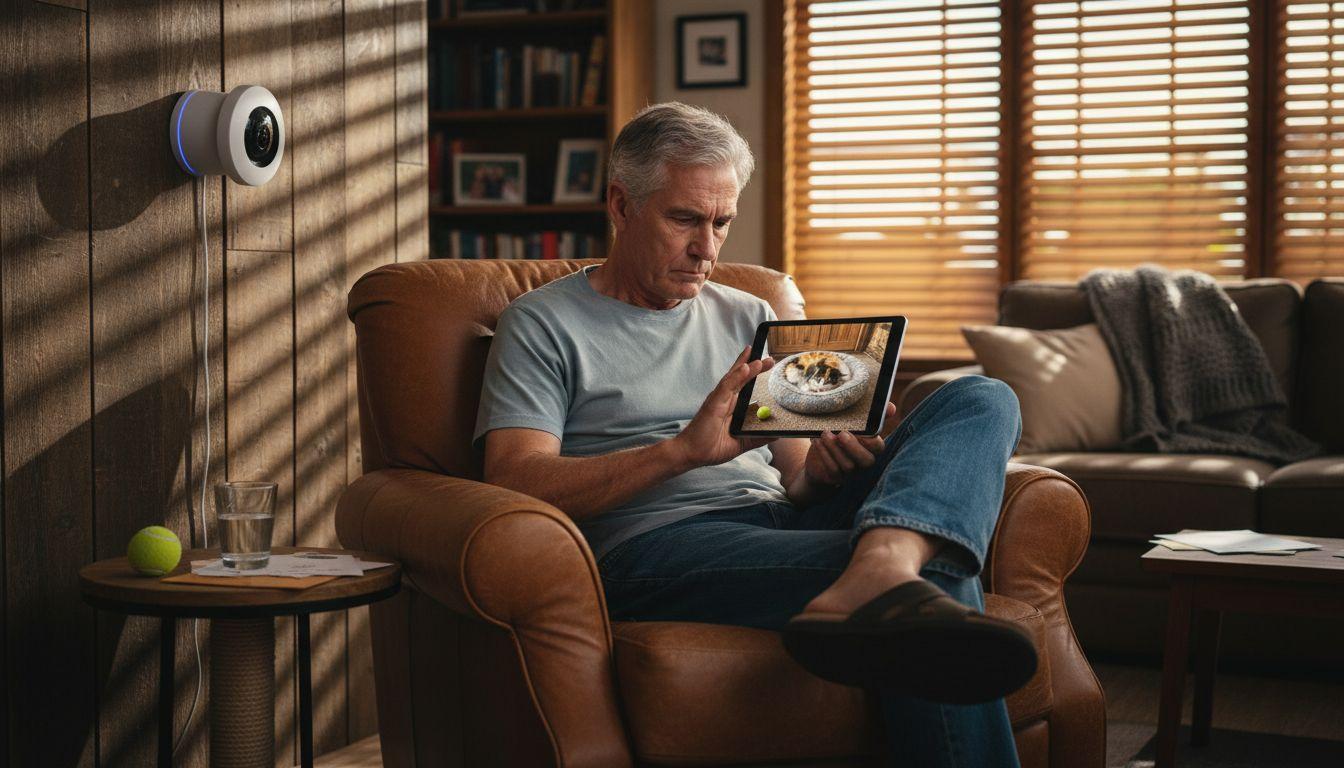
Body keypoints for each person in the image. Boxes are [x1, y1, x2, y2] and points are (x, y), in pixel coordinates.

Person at [474, 102, 1035, 768]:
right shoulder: (541, 324)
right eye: (684, 219)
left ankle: (883, 563)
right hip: (653, 547)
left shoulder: (750, 313)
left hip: (771, 520)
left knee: (981, 395)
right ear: (622, 206)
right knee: (936, 568)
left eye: (721, 223)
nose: (707, 250)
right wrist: (681, 452)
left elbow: (794, 480)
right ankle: (890, 567)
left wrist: (824, 470)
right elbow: (512, 481)